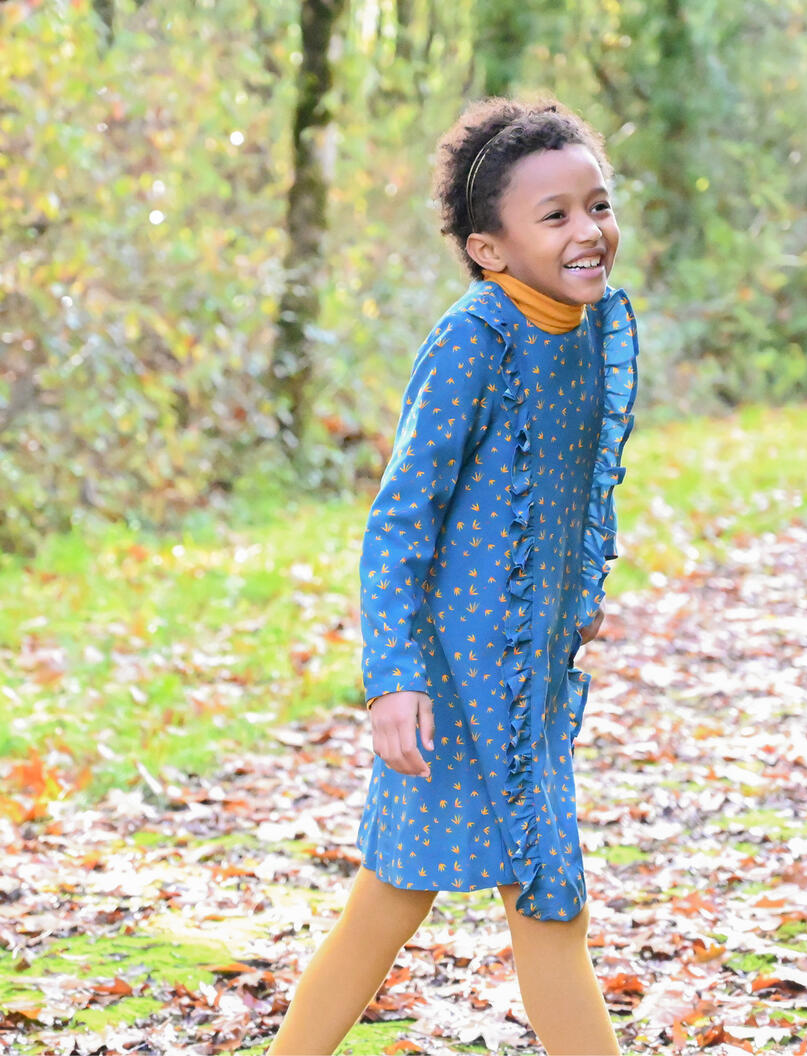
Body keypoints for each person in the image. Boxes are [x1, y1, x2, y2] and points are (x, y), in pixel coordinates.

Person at [267, 95, 639, 1056]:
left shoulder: (590, 328)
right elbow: (399, 518)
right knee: (397, 896)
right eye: (553, 216)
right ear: (489, 248)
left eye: (596, 204)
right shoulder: (473, 343)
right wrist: (392, 676)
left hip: (529, 678)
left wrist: (577, 598)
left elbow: (573, 482)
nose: (588, 230)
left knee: (540, 898)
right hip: (448, 687)